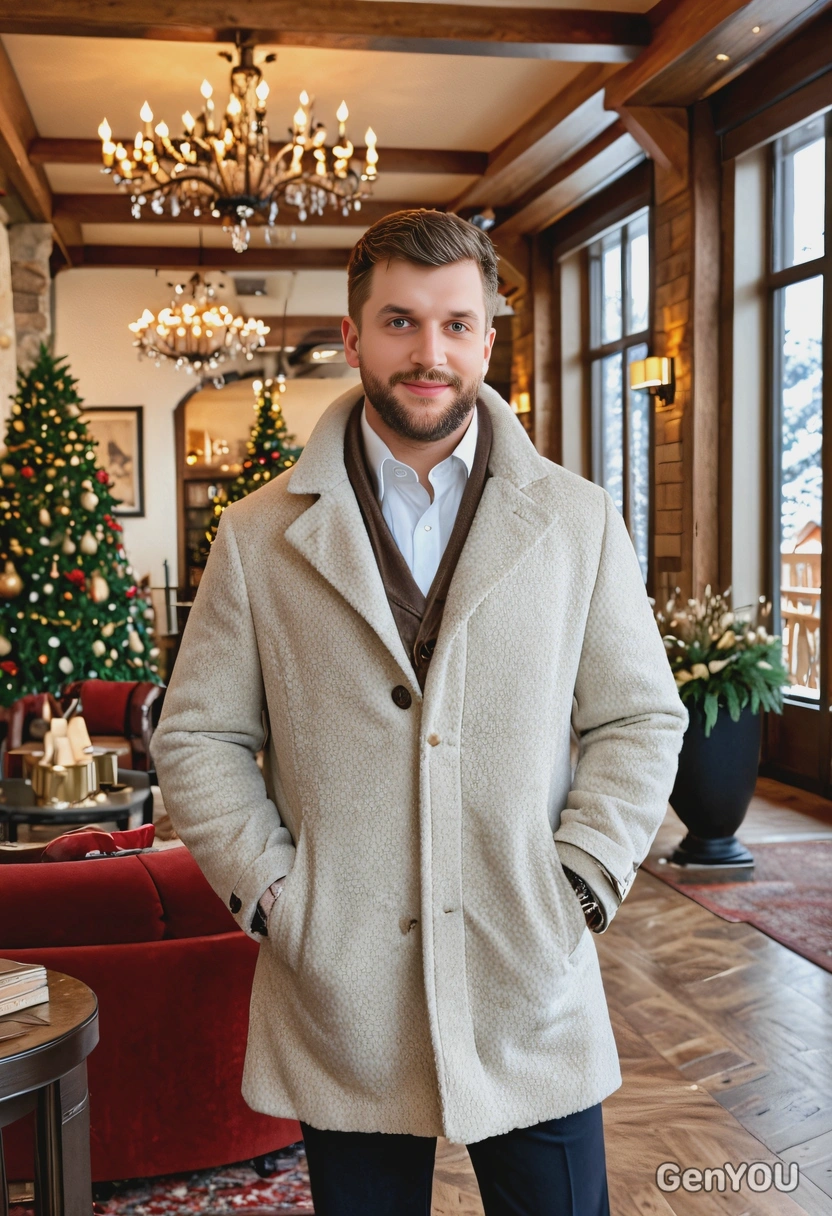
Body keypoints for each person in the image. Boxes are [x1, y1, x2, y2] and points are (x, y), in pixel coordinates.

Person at [151, 208, 688, 1216]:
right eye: (399, 322)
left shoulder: (576, 520)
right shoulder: (260, 534)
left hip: (529, 971)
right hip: (341, 986)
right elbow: (198, 734)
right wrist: (274, 894)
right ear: (352, 337)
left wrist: (578, 885)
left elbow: (639, 718)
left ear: (488, 335)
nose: (428, 352)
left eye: (454, 323)